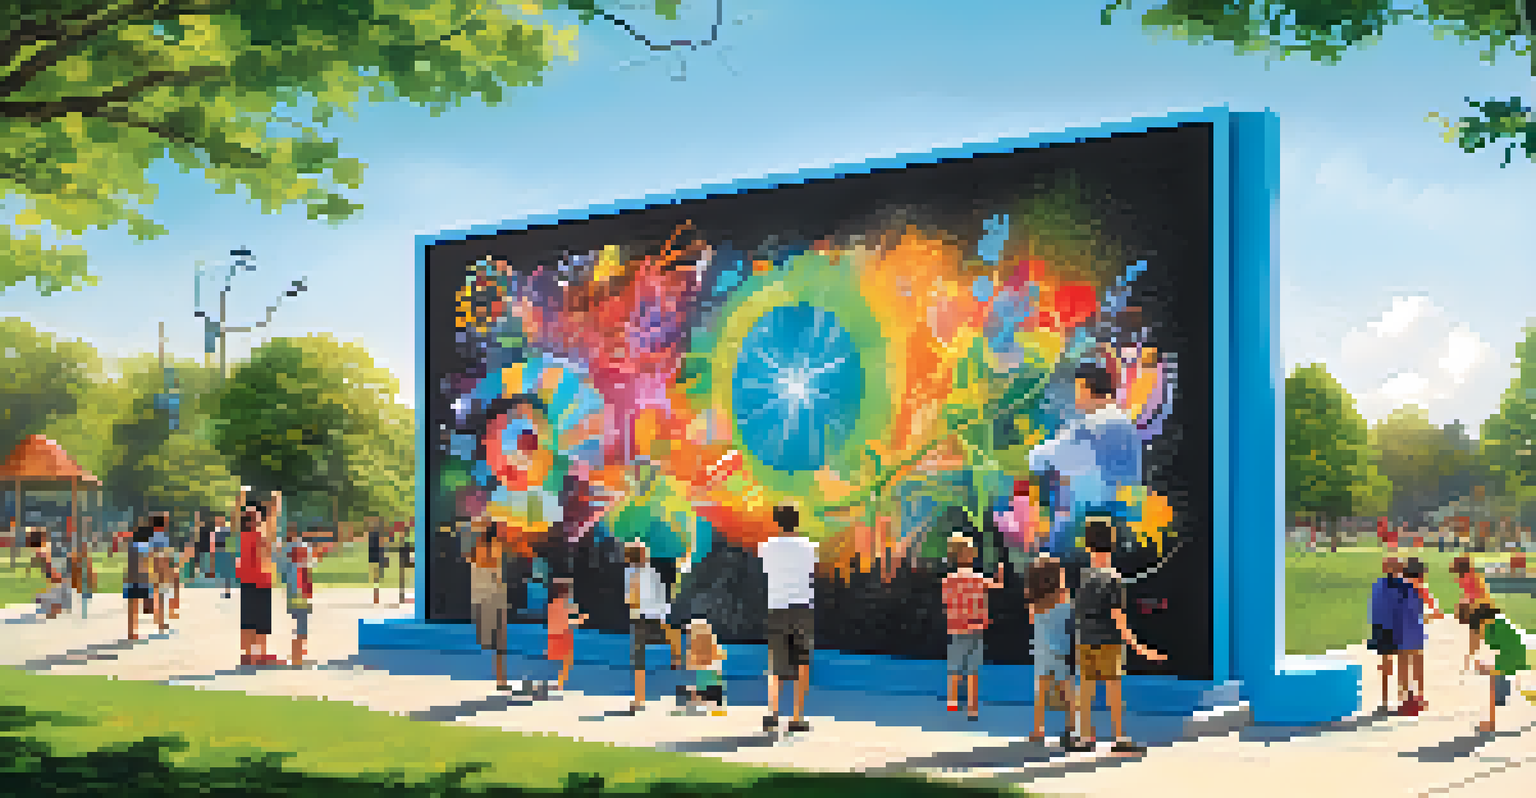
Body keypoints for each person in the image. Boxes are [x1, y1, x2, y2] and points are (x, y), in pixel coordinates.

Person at [1070, 516, 1166, 754]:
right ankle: (1119, 737)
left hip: (1084, 641)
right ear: (1112, 542)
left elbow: (1078, 611)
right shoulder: (1113, 578)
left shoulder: (1083, 576)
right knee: (1113, 689)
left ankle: (1084, 737)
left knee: (1086, 689)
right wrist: (1137, 646)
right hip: (1108, 643)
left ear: (1087, 544)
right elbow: (1118, 618)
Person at [1028, 362, 1142, 558]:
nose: (1075, 397)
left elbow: (1040, 458)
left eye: (1077, 390)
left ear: (1086, 388)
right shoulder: (1125, 423)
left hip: (1088, 523)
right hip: (1123, 518)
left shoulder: (1091, 425)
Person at [758, 505, 818, 734]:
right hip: (803, 608)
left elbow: (766, 571)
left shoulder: (766, 547)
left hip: (777, 607)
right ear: (798, 521)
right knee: (802, 663)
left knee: (776, 663)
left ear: (776, 522)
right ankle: (796, 717)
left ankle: (773, 714)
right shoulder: (810, 547)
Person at [939, 533, 1005, 720]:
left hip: (956, 629)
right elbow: (998, 586)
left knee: (954, 667)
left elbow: (946, 603)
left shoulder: (948, 580)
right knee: (973, 669)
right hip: (975, 629)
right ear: (969, 555)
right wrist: (1000, 572)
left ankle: (952, 702)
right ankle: (972, 707)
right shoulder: (977, 578)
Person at [624, 541, 680, 713]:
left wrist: (631, 606)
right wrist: (664, 617)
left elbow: (631, 597)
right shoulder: (653, 572)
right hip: (657, 616)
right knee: (665, 639)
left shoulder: (631, 572)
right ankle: (676, 651)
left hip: (641, 617)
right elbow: (661, 595)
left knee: (639, 659)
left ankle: (639, 699)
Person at [1026, 555, 1076, 745]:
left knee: (1041, 691)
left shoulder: (1034, 602)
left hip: (1041, 650)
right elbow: (1070, 616)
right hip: (1061, 649)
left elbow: (1033, 621)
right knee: (1067, 689)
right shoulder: (1064, 595)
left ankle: (1038, 729)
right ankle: (1071, 727)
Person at [1461, 603, 1533, 733]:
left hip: (1511, 655)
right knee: (1493, 678)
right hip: (1513, 653)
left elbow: (1477, 643)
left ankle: (1491, 723)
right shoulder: (1497, 622)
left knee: (1492, 685)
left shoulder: (1490, 628)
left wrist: (1477, 661)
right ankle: (1501, 697)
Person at [236, 491, 282, 667]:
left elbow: (271, 518)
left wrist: (274, 502)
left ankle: (254, 654)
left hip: (256, 580)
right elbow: (272, 518)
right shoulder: (252, 533)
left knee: (255, 620)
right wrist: (275, 500)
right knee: (255, 620)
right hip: (256, 580)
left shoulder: (252, 533)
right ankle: (253, 655)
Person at [1395, 558, 1445, 716]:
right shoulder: (1421, 589)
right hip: (1415, 630)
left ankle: (1403, 699)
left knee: (1403, 665)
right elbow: (1437, 612)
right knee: (1417, 664)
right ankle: (1420, 697)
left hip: (1399, 630)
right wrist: (1423, 618)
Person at [281, 525, 335, 669]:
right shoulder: (301, 548)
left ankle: (297, 656)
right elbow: (313, 559)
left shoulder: (287, 550)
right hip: (300, 591)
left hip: (293, 591)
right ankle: (297, 658)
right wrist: (321, 547)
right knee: (302, 624)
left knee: (300, 624)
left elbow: (311, 559)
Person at [468, 519, 511, 690]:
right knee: (496, 642)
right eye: (502, 528)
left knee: (497, 642)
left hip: (487, 597)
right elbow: (492, 567)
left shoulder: (480, 548)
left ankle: (501, 680)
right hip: (491, 598)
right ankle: (501, 680)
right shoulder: (491, 547)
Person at [1367, 557, 1405, 712]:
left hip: (1387, 628)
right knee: (1393, 665)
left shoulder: (1380, 584)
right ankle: (1389, 700)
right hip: (1390, 629)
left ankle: (1393, 700)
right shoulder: (1399, 585)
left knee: (1392, 665)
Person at [676, 618, 728, 716]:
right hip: (707, 688)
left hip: (710, 690)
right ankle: (703, 703)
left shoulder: (710, 648)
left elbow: (694, 663)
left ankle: (705, 703)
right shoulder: (705, 648)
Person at [1451, 556, 1493, 672]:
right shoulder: (1471, 575)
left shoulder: (1469, 577)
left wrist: (1462, 605)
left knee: (1476, 632)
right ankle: (1474, 654)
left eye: (1456, 569)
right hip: (1481, 605)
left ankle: (1474, 655)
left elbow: (1473, 596)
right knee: (1477, 632)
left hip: (1481, 606)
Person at [546, 576, 587, 692]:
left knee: (562, 661)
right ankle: (560, 683)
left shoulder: (553, 605)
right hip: (563, 636)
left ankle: (559, 682)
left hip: (555, 635)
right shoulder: (568, 606)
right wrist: (582, 618)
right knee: (566, 661)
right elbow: (571, 621)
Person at [123, 520, 154, 640]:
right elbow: (142, 563)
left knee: (132, 607)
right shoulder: (143, 546)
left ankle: (131, 632)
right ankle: (134, 632)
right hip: (140, 578)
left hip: (130, 577)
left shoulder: (131, 546)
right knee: (138, 606)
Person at [213, 511, 235, 599]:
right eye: (217, 519)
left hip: (226, 553)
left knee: (227, 574)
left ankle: (227, 591)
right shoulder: (216, 530)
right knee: (223, 573)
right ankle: (226, 590)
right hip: (219, 553)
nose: (218, 520)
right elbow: (214, 543)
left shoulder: (227, 530)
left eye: (220, 519)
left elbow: (231, 542)